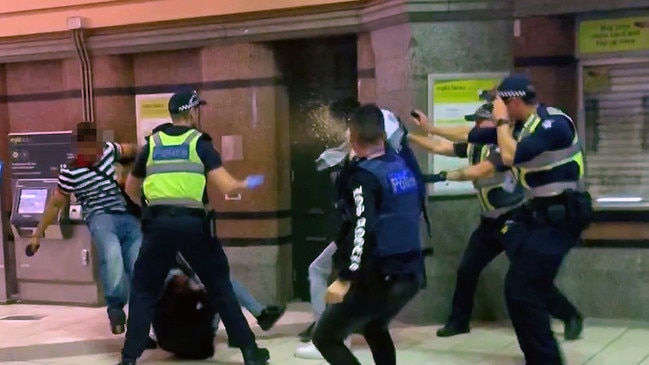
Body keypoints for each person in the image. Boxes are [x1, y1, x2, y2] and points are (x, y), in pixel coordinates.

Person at [118, 89, 269, 365]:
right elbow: (226, 186)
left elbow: (130, 188)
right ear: (191, 112)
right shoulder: (200, 143)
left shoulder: (151, 145)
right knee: (220, 286)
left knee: (143, 290)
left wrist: (151, 209)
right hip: (193, 225)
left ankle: (129, 358)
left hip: (158, 225)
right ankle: (250, 352)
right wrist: (247, 183)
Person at [408, 105, 583, 341]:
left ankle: (568, 316)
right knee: (467, 270)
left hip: (514, 219)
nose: (476, 127)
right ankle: (459, 321)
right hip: (489, 223)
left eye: (481, 122)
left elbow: (480, 172)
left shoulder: (507, 148)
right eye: (475, 123)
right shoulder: (474, 147)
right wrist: (407, 136)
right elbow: (440, 146)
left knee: (527, 277)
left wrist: (439, 177)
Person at [468, 74, 593, 365]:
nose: (495, 109)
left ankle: (546, 358)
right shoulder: (521, 126)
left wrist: (500, 122)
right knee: (525, 289)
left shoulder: (554, 124)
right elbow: (471, 134)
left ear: (512, 101)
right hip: (538, 215)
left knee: (521, 289)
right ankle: (540, 355)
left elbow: (511, 156)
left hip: (563, 215)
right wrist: (425, 128)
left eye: (498, 103)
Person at [295, 102, 431, 360]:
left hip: (381, 275)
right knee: (374, 326)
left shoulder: (365, 177)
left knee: (324, 337)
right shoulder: (399, 164)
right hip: (410, 272)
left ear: (353, 136)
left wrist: (346, 278)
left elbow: (363, 226)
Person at [28, 122, 146, 337]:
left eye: (99, 147)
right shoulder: (70, 172)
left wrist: (133, 169)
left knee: (139, 267)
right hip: (100, 218)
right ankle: (116, 308)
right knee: (112, 257)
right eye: (92, 149)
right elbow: (56, 204)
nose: (98, 153)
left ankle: (140, 328)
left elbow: (136, 150)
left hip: (128, 216)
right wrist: (37, 234)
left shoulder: (110, 150)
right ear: (80, 148)